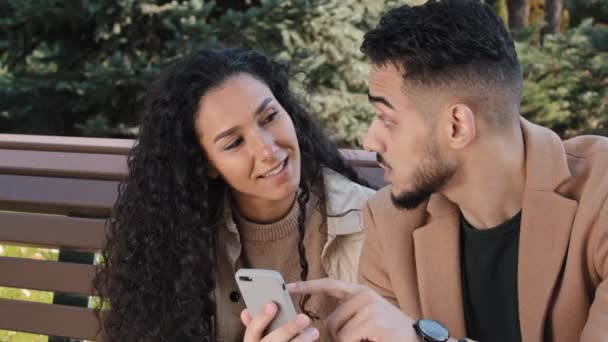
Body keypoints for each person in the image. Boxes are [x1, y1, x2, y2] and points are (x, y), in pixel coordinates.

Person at [242, 0, 608, 341]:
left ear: (456, 127)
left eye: (387, 119)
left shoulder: (601, 195)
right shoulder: (391, 223)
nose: (371, 141)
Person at [93, 47, 375, 341]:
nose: (267, 150)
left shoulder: (369, 218)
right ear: (207, 164)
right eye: (234, 143)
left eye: (269, 117)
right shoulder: (180, 241)